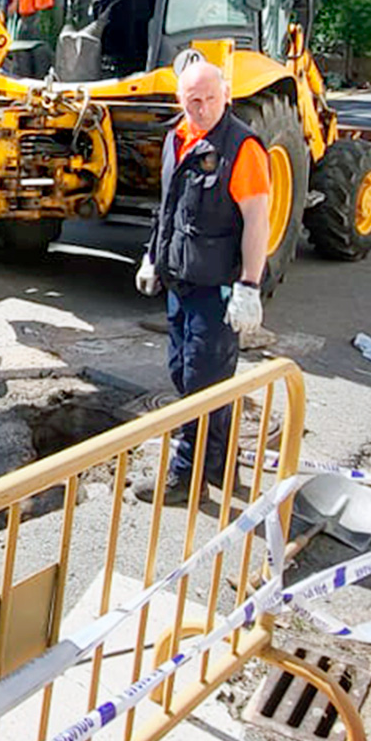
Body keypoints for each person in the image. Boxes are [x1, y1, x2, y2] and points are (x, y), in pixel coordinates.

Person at [133, 50, 270, 504]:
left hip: (218, 288)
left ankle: (187, 477)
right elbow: (169, 209)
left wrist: (250, 285)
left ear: (226, 95)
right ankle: (221, 465)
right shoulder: (178, 139)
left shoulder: (241, 148)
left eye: (211, 98)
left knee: (201, 380)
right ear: (180, 99)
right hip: (181, 280)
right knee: (184, 371)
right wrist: (153, 257)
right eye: (193, 100)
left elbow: (257, 219)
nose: (203, 108)